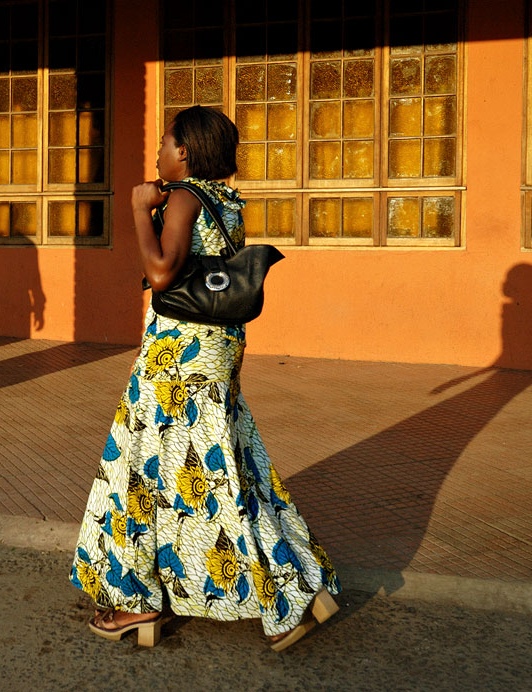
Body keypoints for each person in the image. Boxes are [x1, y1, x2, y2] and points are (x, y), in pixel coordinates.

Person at [69, 105, 340, 651]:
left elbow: (162, 272)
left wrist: (138, 213)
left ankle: (161, 602)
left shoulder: (187, 198)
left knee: (152, 473)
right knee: (227, 468)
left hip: (179, 359)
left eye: (164, 142)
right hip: (216, 349)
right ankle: (299, 586)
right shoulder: (225, 200)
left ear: (185, 152)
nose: (157, 152)